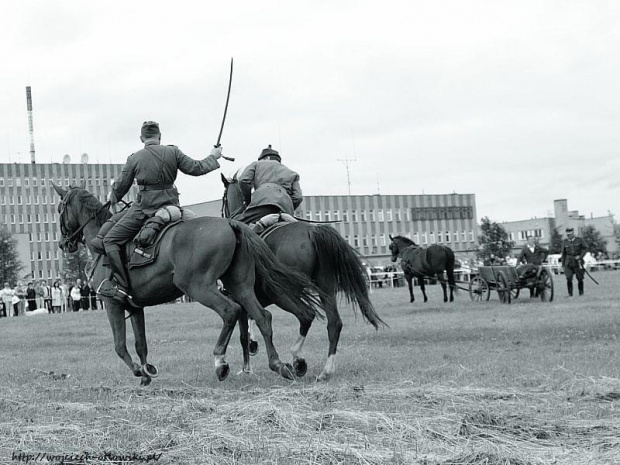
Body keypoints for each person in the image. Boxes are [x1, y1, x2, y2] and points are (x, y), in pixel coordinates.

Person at [101, 121, 224, 305]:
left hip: (144, 210)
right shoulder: (173, 152)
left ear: (142, 138)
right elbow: (197, 168)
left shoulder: (135, 158)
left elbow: (120, 187)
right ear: (160, 136)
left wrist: (113, 197)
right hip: (173, 207)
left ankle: (122, 288)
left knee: (109, 240)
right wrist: (213, 156)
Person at [238, 145, 303, 233]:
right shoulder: (292, 173)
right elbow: (298, 197)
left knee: (238, 229)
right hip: (285, 208)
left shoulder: (256, 164)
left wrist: (248, 200)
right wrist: (287, 207)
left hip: (262, 202)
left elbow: (243, 180)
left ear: (267, 158)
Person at [560, 227, 588, 297]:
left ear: (573, 233)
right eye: (567, 235)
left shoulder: (579, 240)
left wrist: (580, 256)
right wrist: (563, 264)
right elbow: (563, 253)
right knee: (568, 278)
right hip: (568, 262)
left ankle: (581, 293)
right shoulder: (565, 242)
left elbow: (586, 248)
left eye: (570, 234)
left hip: (578, 261)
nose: (568, 236)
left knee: (580, 278)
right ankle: (570, 294)